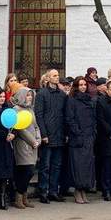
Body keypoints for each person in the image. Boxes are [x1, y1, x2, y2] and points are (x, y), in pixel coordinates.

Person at [34, 68, 67, 203]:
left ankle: (54, 191)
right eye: (54, 75)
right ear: (48, 78)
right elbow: (39, 116)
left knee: (57, 165)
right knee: (45, 166)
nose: (57, 77)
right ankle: (43, 191)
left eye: (58, 75)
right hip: (47, 135)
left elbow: (65, 115)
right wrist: (43, 134)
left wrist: (65, 133)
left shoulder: (62, 95)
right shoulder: (42, 94)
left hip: (59, 135)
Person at [66, 76, 96, 203]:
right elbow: (69, 119)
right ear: (76, 86)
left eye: (85, 85)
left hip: (89, 136)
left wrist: (93, 133)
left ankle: (83, 190)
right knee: (78, 165)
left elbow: (93, 118)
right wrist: (77, 132)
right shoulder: (72, 100)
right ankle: (77, 191)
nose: (83, 87)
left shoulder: (89, 100)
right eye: (81, 85)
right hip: (77, 137)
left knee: (87, 165)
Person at [10, 87, 40, 209]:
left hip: (33, 145)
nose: (30, 97)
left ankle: (24, 195)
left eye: (31, 95)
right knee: (28, 171)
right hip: (23, 144)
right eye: (27, 95)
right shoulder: (16, 110)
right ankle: (18, 195)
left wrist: (38, 139)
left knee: (28, 171)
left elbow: (36, 126)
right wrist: (33, 141)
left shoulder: (30, 110)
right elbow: (20, 128)